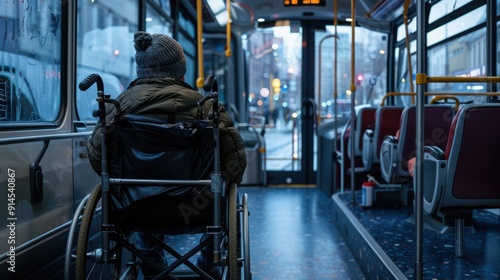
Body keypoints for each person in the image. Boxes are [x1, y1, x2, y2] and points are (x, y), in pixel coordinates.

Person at [87, 31, 247, 279]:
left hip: (133, 209)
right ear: (181, 70)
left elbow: (98, 159)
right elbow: (235, 162)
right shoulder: (205, 108)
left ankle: (152, 267)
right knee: (220, 192)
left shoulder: (116, 109)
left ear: (141, 70)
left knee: (140, 191)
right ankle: (209, 265)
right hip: (194, 208)